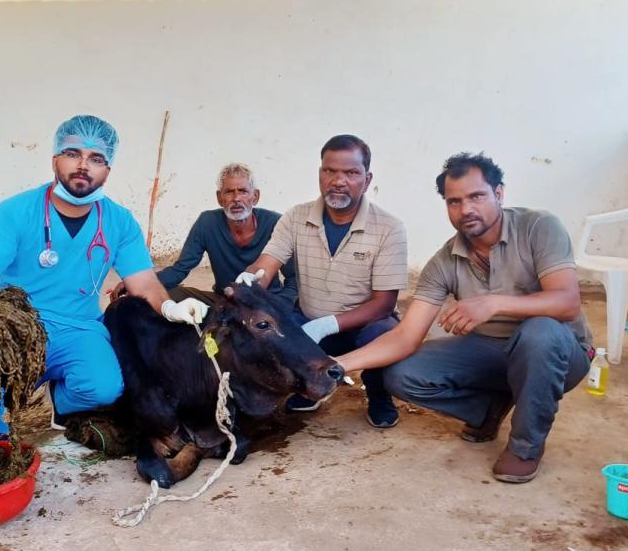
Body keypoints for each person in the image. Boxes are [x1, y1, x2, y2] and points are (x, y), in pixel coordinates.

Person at [337, 152, 591, 483]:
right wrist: (338, 364)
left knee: (539, 333)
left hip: (559, 351)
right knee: (400, 373)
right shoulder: (445, 260)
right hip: (490, 350)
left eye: (476, 196)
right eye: (454, 201)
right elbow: (405, 336)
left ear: (498, 194)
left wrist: (493, 304)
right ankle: (488, 408)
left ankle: (525, 447)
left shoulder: (538, 226)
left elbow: (567, 302)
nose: (466, 209)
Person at [0, 114, 208, 432]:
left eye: (96, 158)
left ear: (107, 169)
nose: (83, 165)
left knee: (103, 387)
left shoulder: (119, 222)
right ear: (54, 160)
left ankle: (59, 402)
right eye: (72, 153)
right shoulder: (15, 212)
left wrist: (169, 306)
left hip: (75, 326)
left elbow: (143, 281)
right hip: (13, 326)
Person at [237, 135, 408, 427]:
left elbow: (384, 303)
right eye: (330, 171)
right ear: (320, 174)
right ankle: (310, 387)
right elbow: (268, 263)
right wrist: (249, 281)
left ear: (366, 180)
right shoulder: (296, 217)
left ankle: (379, 395)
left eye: (351, 173)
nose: (338, 181)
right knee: (269, 332)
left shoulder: (389, 228)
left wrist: (328, 324)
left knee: (385, 333)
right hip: (307, 321)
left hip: (362, 325)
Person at [127, 163, 298, 307]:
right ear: (219, 198)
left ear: (255, 196)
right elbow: (180, 270)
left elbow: (293, 279)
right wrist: (139, 285)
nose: (236, 198)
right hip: (224, 300)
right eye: (229, 192)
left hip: (266, 302)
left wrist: (280, 306)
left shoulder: (275, 223)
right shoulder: (207, 222)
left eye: (243, 191)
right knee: (165, 294)